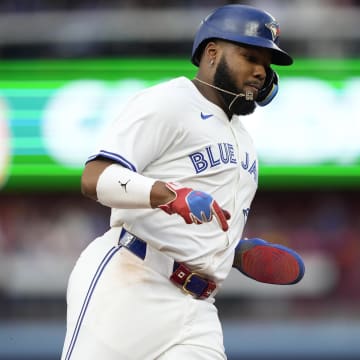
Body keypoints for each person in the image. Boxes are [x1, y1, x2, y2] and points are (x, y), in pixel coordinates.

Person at [61, 4, 305, 360]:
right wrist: (168, 195)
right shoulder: (169, 101)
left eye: (266, 65)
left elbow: (208, 220)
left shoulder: (246, 141)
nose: (259, 71)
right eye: (249, 56)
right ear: (211, 53)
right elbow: (94, 178)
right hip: (132, 281)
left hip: (199, 307)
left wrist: (231, 251)